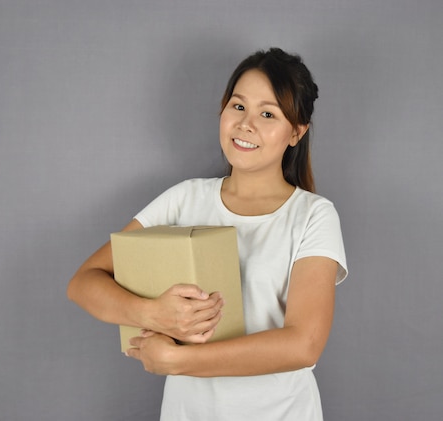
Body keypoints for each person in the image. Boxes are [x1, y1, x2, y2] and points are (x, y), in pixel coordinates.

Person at [67, 47, 347, 421]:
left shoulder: (313, 215)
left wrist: (180, 359)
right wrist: (155, 315)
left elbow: (304, 344)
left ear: (296, 132)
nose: (246, 124)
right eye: (238, 106)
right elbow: (83, 283)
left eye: (268, 114)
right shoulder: (184, 199)